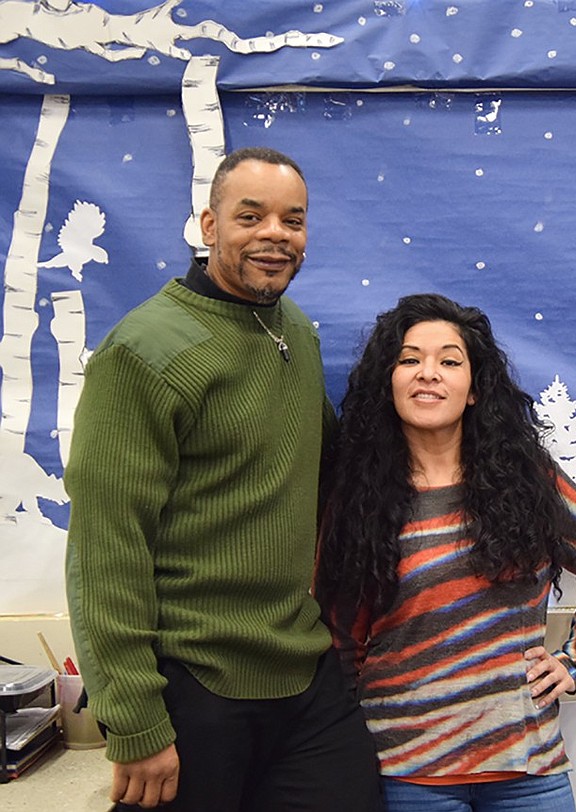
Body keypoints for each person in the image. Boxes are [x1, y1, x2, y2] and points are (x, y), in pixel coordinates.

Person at [64, 147, 381, 811]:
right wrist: (134, 719)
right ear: (209, 226)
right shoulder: (143, 353)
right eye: (251, 215)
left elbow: (332, 470)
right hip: (192, 688)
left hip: (304, 674)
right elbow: (105, 550)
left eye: (292, 220)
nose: (275, 233)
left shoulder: (291, 328)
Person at [315, 293, 576, 812]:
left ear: (475, 390)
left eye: (449, 361)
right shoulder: (358, 500)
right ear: (388, 383)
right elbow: (342, 641)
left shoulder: (526, 479)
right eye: (409, 359)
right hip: (407, 773)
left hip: (528, 764)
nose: (428, 374)